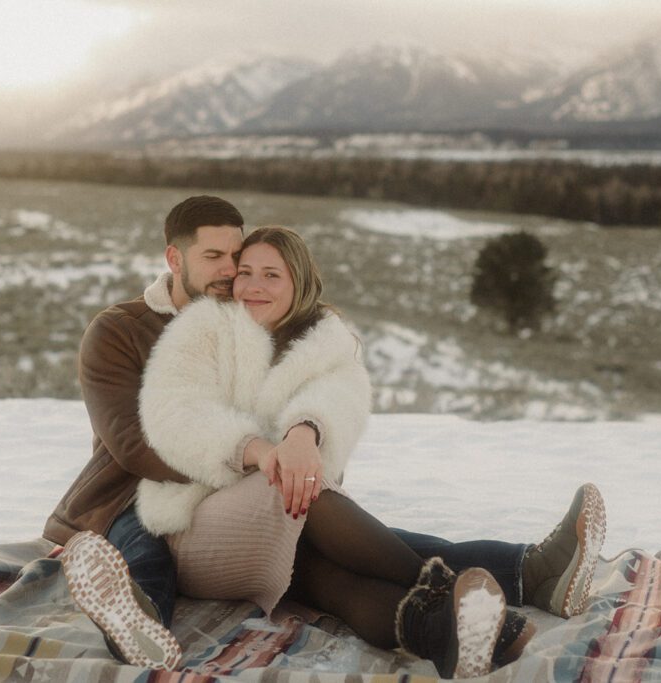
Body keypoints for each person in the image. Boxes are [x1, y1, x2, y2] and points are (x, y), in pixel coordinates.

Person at [46, 197, 606, 672]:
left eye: (238, 260)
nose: (230, 273)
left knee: (330, 565)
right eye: (215, 258)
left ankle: (477, 616)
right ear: (174, 258)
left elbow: (326, 386)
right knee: (145, 557)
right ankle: (139, 618)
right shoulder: (121, 330)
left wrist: (303, 434)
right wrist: (255, 456)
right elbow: (137, 441)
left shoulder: (254, 319)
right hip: (130, 495)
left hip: (251, 497)